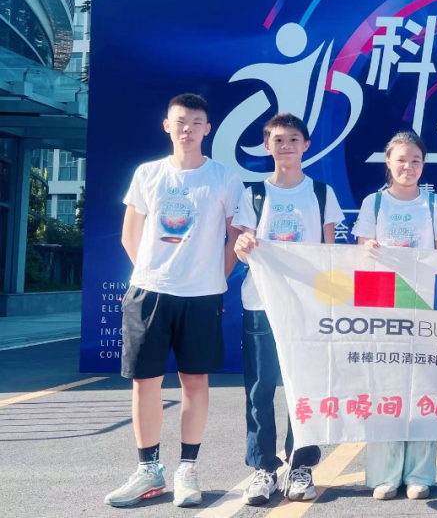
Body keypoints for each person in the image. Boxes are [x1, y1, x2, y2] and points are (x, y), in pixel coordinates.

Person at [105, 94, 244, 508]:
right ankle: (149, 470)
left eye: (196, 122)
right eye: (180, 121)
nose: (188, 128)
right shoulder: (148, 173)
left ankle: (188, 469)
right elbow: (130, 234)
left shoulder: (224, 177)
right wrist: (154, 274)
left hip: (201, 296)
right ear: (167, 125)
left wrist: (211, 279)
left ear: (207, 128)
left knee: (194, 382)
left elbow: (235, 237)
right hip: (149, 292)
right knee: (145, 382)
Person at [232, 113, 345, 505]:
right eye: (278, 140)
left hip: (308, 307)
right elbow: (243, 247)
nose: (286, 146)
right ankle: (264, 468)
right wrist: (242, 246)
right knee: (260, 388)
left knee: (307, 388)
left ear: (306, 145)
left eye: (293, 139)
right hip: (261, 303)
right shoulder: (254, 194)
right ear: (267, 146)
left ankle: (301, 465)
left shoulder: (321, 194)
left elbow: (330, 252)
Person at [352, 130, 437, 500]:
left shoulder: (434, 204)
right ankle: (386, 474)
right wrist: (368, 248)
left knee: (425, 388)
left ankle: (420, 474)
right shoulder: (374, 203)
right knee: (386, 389)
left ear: (423, 164)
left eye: (416, 160)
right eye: (401, 160)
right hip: (383, 308)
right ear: (388, 162)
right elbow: (360, 252)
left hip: (424, 308)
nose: (408, 167)